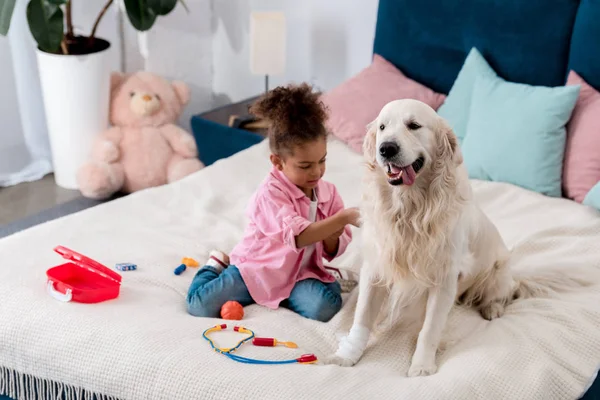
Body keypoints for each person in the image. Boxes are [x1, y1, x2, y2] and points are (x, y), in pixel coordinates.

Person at [186, 83, 360, 322]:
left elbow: (332, 249)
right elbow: (298, 236)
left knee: (324, 309)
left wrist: (333, 232)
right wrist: (342, 218)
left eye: (322, 161)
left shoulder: (328, 193)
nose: (317, 171)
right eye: (305, 166)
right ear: (278, 162)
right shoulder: (270, 194)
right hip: (256, 271)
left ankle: (315, 284)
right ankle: (214, 265)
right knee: (200, 306)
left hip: (299, 274)